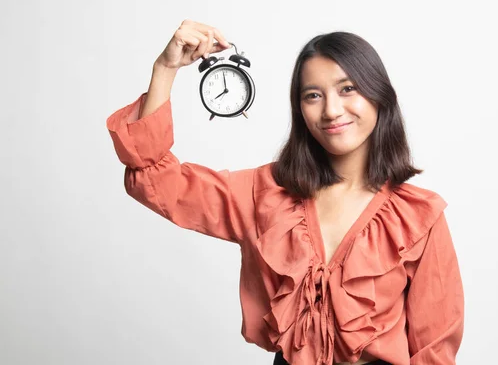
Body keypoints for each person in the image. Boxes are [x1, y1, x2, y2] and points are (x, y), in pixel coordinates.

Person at [106, 20, 464, 365]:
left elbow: (434, 348)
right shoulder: (265, 194)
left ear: (379, 95)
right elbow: (155, 179)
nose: (332, 110)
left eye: (348, 89)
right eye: (313, 95)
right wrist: (165, 68)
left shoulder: (419, 216)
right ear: (300, 110)